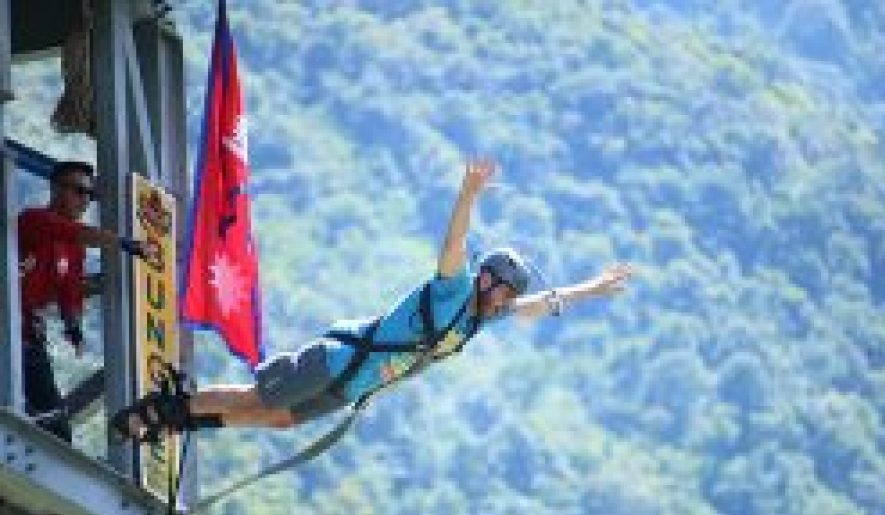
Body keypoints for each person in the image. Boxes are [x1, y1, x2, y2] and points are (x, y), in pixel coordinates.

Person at [112, 159, 635, 441]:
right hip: (342, 359)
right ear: (484, 277)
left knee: (275, 418)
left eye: (506, 292)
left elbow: (543, 303)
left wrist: (593, 287)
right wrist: (468, 195)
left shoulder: (480, 323)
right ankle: (164, 409)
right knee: (259, 398)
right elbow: (453, 246)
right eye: (497, 283)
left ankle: (183, 420)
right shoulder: (452, 290)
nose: (501, 296)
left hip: (351, 387)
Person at [20, 160, 149, 442]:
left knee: (54, 423)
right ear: (55, 189)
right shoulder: (34, 220)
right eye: (79, 191)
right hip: (10, 330)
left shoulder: (74, 249)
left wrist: (73, 326)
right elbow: (74, 232)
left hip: (29, 338)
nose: (85, 200)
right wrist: (125, 243)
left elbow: (70, 290)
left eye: (89, 194)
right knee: (32, 409)